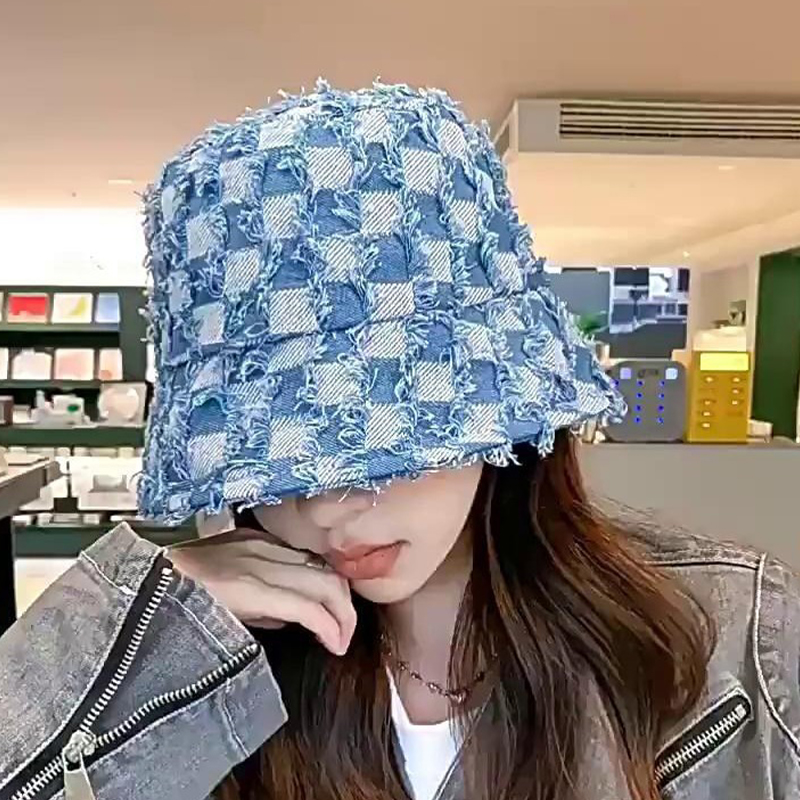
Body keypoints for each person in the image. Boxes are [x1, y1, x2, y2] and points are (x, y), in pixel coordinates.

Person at [0, 81, 798, 800]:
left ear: (493, 397)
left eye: (380, 428)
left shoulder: (730, 637)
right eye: (276, 457)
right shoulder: (223, 659)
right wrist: (147, 622)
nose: (325, 505)